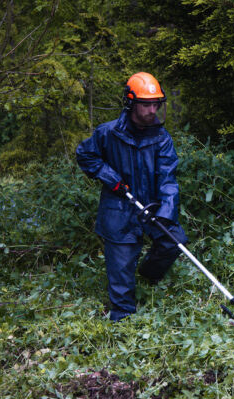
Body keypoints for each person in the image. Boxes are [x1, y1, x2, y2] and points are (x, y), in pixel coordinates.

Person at [76, 72, 188, 321]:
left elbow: (168, 179)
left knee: (174, 240)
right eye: (146, 104)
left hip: (152, 205)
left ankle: (149, 275)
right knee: (122, 266)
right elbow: (86, 156)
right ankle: (123, 315)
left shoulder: (161, 138)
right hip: (120, 207)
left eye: (155, 104)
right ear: (130, 103)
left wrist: (166, 213)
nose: (151, 110)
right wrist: (109, 177)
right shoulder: (107, 133)